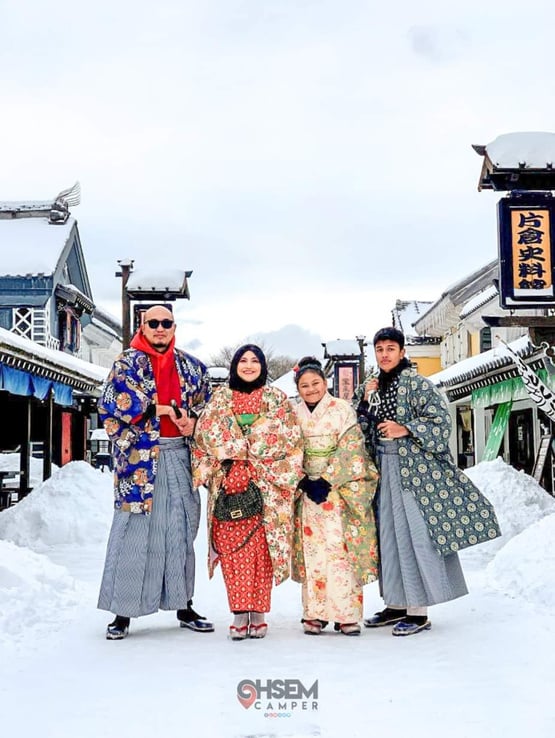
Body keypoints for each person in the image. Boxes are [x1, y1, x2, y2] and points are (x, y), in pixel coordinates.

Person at [357, 327, 501, 636]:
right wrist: (367, 400)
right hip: (383, 467)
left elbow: (441, 421)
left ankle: (418, 611)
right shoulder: (372, 386)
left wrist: (404, 428)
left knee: (414, 536)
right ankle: (395, 604)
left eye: (390, 349)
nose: (384, 354)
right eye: (379, 349)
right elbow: (362, 424)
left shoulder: (418, 384)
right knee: (389, 537)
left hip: (415, 472)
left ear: (402, 351)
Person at [97, 305, 213, 640]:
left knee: (180, 529)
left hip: (179, 453)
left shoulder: (192, 367)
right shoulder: (126, 364)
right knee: (133, 531)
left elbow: (209, 410)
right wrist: (161, 408)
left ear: (174, 326)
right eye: (154, 323)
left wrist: (193, 422)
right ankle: (122, 612)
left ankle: (184, 604)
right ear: (142, 326)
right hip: (139, 459)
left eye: (166, 323)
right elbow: (114, 406)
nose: (160, 328)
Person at [192, 344, 303, 640]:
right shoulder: (220, 399)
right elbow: (206, 437)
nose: (249, 365)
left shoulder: (276, 399)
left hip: (267, 484)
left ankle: (259, 612)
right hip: (228, 483)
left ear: (263, 366)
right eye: (244, 360)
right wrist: (231, 464)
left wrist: (249, 460)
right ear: (234, 366)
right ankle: (239, 612)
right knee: (232, 551)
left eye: (255, 361)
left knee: (262, 551)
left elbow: (288, 439)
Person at [291, 357, 379, 636]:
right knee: (313, 550)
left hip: (338, 489)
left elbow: (352, 448)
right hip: (307, 489)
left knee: (340, 552)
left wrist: (327, 480)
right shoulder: (293, 414)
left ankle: (346, 615)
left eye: (315, 383)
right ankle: (314, 614)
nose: (311, 389)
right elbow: (287, 448)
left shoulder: (342, 410)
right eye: (304, 385)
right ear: (298, 388)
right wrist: (304, 479)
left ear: (325, 382)